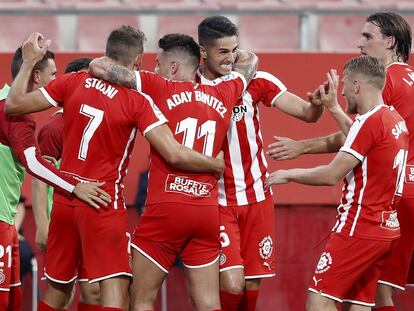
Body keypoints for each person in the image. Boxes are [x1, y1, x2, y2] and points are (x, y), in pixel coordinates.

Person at [6, 29, 225, 311]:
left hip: (65, 201)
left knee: (57, 293)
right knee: (115, 293)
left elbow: (14, 105)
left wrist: (27, 62)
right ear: (137, 61)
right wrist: (214, 164)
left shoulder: (73, 81)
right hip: (102, 201)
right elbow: (173, 152)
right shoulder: (137, 101)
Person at [89, 32, 257, 311]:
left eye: (158, 63)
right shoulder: (225, 90)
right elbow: (250, 62)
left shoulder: (159, 86)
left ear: (174, 67)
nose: (154, 69)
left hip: (166, 208)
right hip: (205, 211)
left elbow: (99, 66)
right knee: (207, 303)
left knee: (141, 298)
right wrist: (228, 58)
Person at [267, 12, 414, 311]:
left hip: (380, 203)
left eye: (367, 37)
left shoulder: (387, 82)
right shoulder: (409, 78)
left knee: (335, 299)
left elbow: (361, 135)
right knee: (370, 295)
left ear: (390, 42)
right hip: (398, 202)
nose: (359, 44)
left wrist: (301, 148)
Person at [195, 15, 324, 311]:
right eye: (223, 52)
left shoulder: (257, 80)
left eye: (234, 50)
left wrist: (317, 103)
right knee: (231, 283)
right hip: (217, 201)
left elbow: (306, 113)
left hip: (258, 197)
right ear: (203, 52)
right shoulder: (191, 86)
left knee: (252, 284)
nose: (231, 59)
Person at [0, 45, 109, 311]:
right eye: (53, 74)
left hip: (7, 219)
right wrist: (76, 187)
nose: (57, 82)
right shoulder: (12, 113)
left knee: (13, 301)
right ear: (36, 76)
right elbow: (35, 164)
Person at [32, 57, 103, 311]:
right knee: (60, 294)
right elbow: (40, 179)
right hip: (62, 220)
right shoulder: (55, 126)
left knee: (94, 291)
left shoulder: (96, 120)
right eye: (85, 78)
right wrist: (42, 224)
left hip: (92, 216)